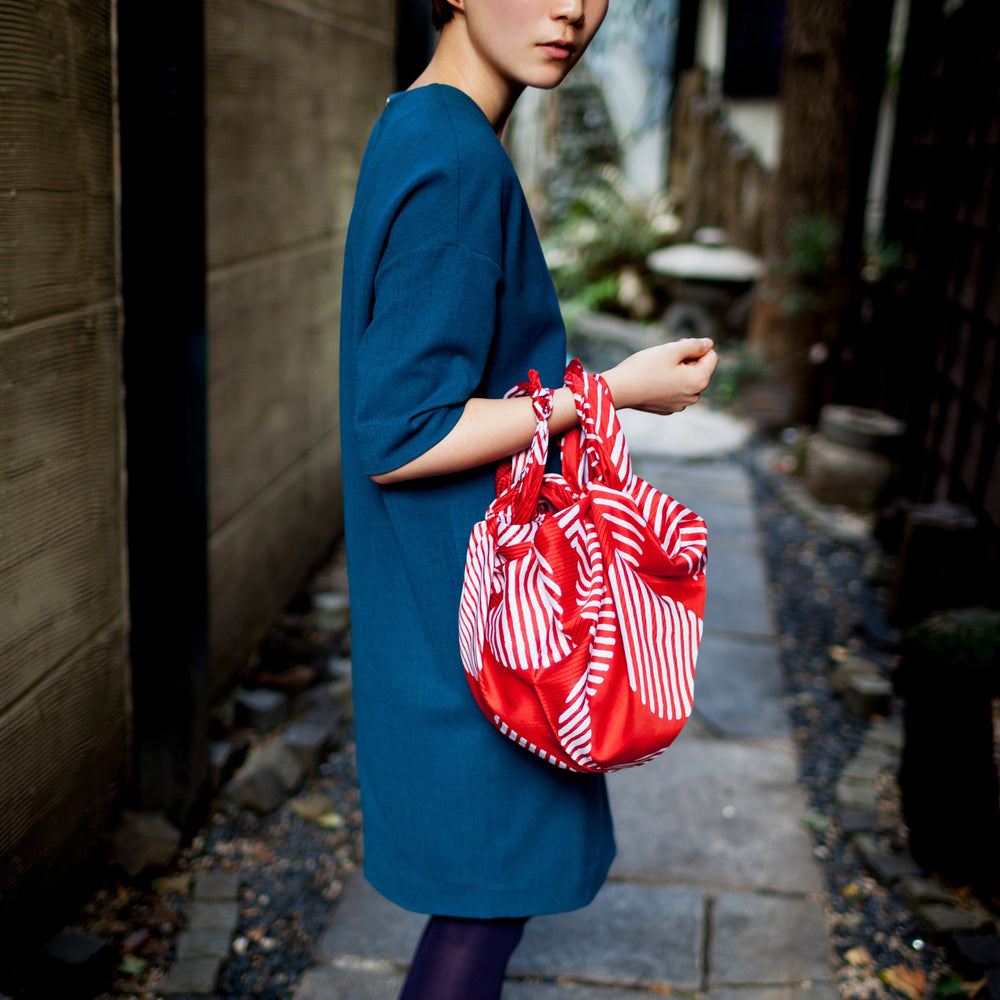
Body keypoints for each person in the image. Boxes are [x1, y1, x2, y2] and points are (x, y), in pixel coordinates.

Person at [338, 0, 719, 996]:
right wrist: (619, 391)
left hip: (453, 602)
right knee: (479, 916)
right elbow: (402, 431)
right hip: (482, 623)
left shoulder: (417, 122)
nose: (574, 10)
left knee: (481, 911)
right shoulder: (456, 161)